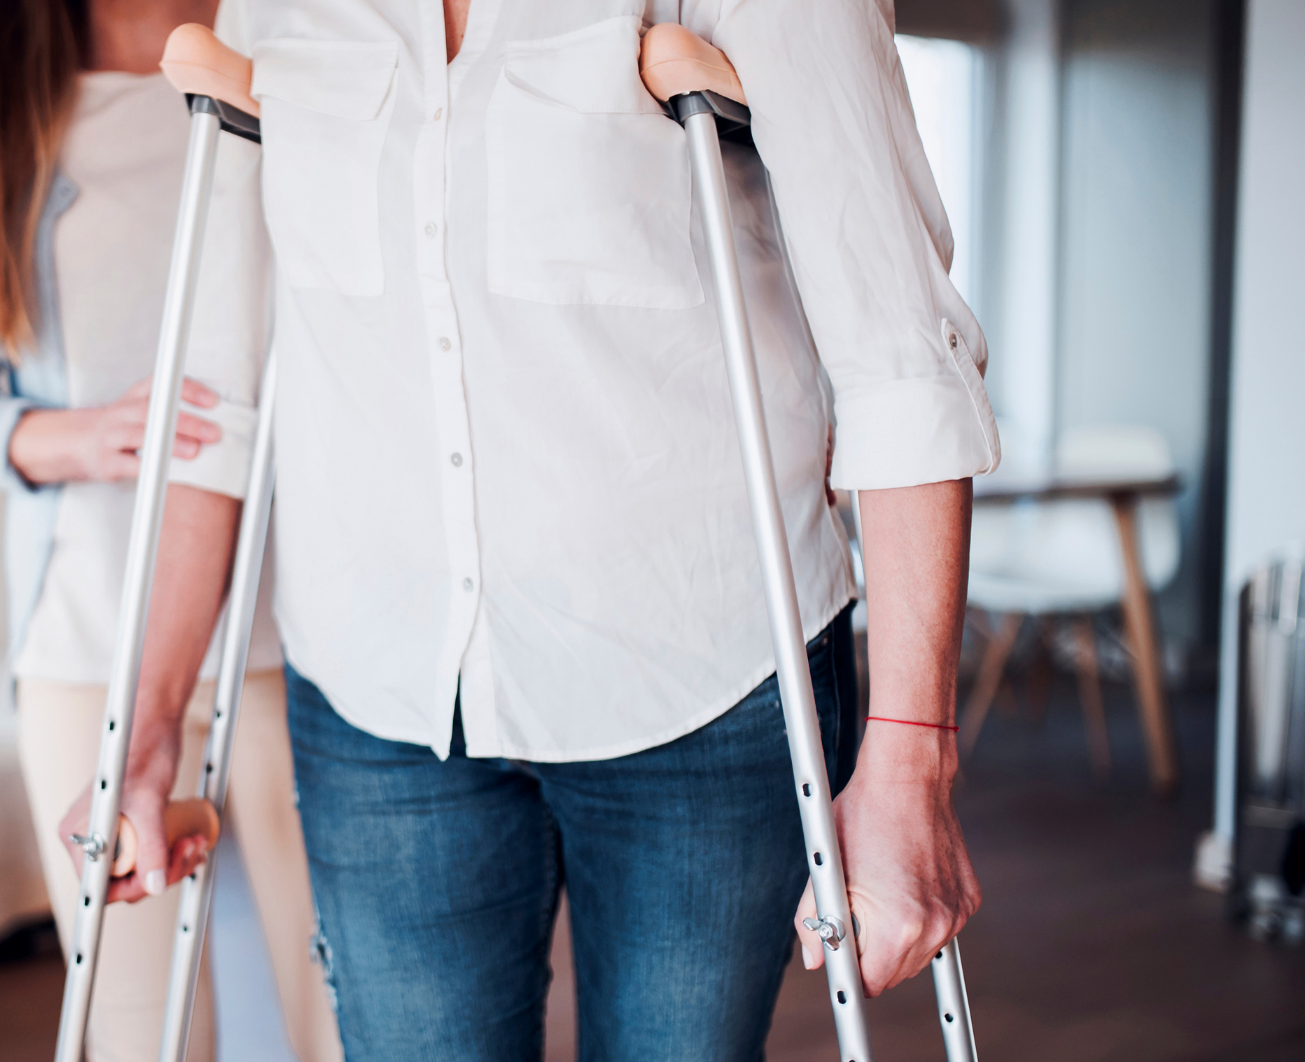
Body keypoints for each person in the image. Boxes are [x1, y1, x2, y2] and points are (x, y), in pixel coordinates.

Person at [64, 0, 997, 1059]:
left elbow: (901, 360)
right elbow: (215, 407)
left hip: (705, 679)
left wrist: (912, 765)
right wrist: (144, 727)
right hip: (381, 693)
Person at [0, 2, 341, 1059]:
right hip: (89, 635)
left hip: (304, 630)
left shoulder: (279, 34)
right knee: (140, 1032)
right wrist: (77, 438)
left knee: (344, 1011)